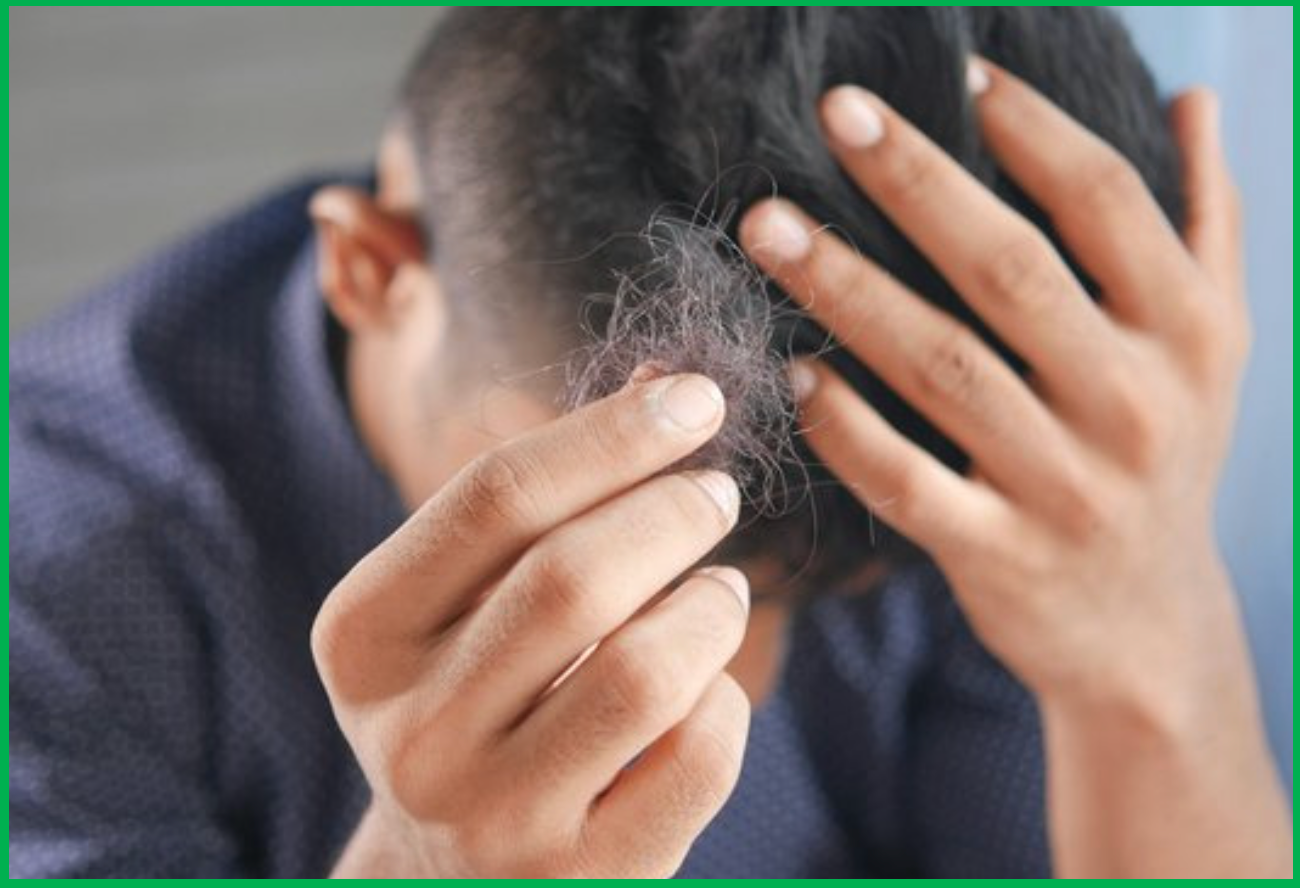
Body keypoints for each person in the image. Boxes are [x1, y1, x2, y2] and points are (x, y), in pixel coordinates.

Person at [9, 8, 1290, 878]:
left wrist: (1151, 649)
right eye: (614, 521)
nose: (725, 696)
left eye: (822, 594)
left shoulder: (976, 444)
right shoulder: (50, 585)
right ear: (373, 271)